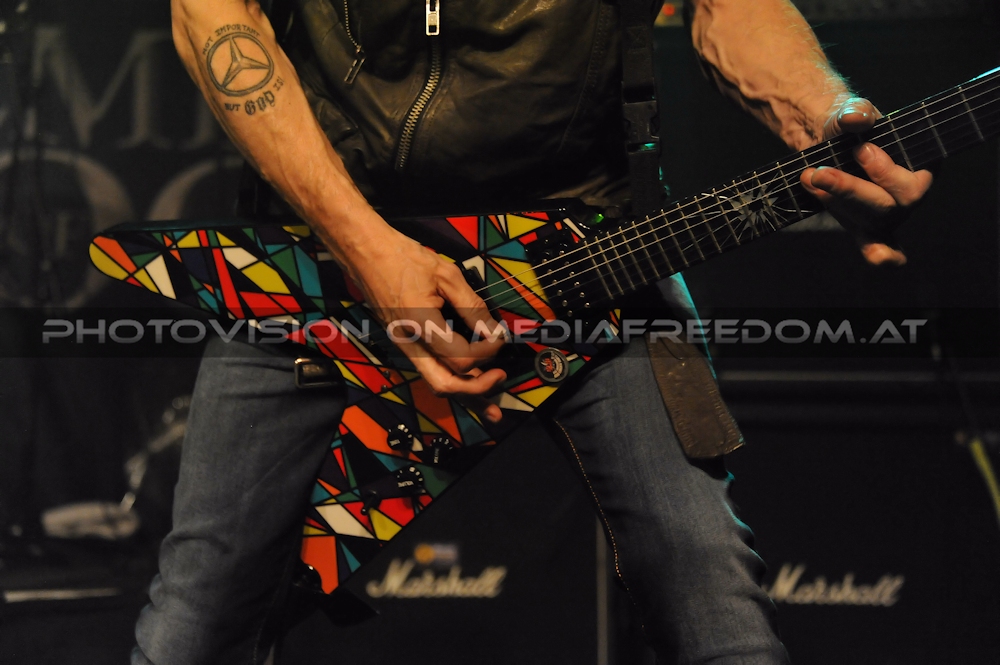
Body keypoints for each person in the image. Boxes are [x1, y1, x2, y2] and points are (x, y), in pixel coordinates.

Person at [134, 0, 933, 663]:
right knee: (194, 622)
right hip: (317, 259)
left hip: (592, 251)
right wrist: (368, 248)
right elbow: (210, 14)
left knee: (713, 600)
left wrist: (824, 113)